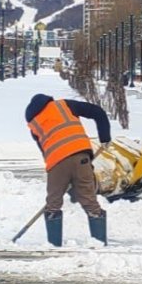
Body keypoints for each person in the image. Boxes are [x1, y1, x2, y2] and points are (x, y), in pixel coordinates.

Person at [25, 94, 112, 247]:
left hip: (56, 161)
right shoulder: (64, 105)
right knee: (90, 201)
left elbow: (44, 150)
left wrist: (61, 178)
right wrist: (105, 137)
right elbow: (98, 112)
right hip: (81, 156)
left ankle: (54, 245)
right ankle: (100, 244)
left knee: (53, 204)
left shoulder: (34, 124)